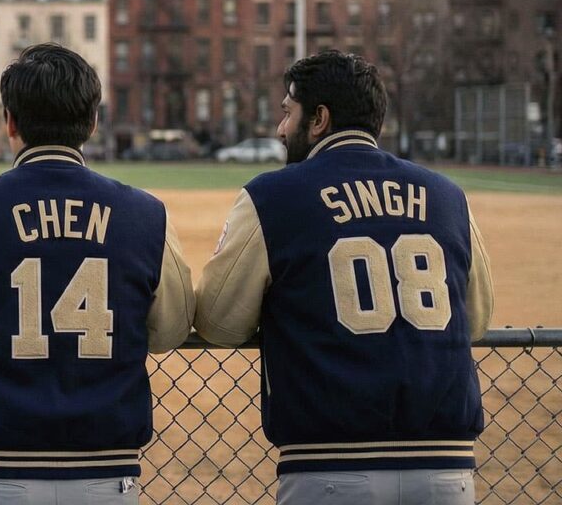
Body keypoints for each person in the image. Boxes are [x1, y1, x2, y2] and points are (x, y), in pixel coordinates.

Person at [0, 43, 195, 505]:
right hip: (106, 474)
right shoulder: (146, 215)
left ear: (9, 121)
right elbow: (171, 328)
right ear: (93, 122)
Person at [195, 50, 495, 505]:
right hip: (445, 467)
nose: (280, 129)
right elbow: (475, 319)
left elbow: (218, 323)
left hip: (328, 465)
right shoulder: (448, 196)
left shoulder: (272, 197)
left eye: (287, 112)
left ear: (319, 119)